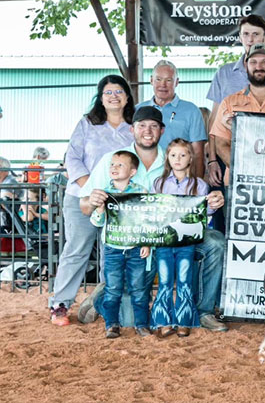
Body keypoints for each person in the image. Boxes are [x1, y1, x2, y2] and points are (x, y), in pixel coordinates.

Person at [80, 106, 228, 333]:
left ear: (162, 130)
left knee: (216, 242)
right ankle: (104, 294)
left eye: (153, 126)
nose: (147, 131)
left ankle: (204, 311)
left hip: (175, 236)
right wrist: (93, 201)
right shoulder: (115, 161)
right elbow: (84, 206)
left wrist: (212, 202)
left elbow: (195, 205)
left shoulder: (172, 160)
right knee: (130, 318)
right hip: (137, 246)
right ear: (132, 129)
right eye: (142, 125)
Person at [49, 75, 135, 326]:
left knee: (115, 255)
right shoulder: (87, 123)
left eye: (119, 91)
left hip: (118, 202)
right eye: (108, 92)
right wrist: (92, 189)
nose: (113, 96)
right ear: (100, 98)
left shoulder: (134, 126)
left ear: (127, 97)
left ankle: (104, 304)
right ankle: (60, 305)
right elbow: (72, 158)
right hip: (82, 198)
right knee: (76, 250)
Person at [206, 15, 265, 186]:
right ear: (239, 37)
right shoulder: (224, 73)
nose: (250, 39)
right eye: (245, 34)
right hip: (232, 161)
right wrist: (212, 160)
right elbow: (214, 122)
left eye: (255, 34)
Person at [84, 150, 151, 339]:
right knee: (113, 288)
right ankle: (111, 324)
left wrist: (146, 241)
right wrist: (99, 209)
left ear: (132, 171)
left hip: (135, 246)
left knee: (138, 288)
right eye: (112, 164)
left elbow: (146, 220)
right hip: (112, 247)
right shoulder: (103, 193)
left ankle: (141, 325)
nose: (114, 167)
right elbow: (96, 223)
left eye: (120, 165)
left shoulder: (141, 192)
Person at [211, 44, 265, 176]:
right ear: (246, 66)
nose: (259, 67)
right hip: (239, 180)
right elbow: (221, 144)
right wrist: (245, 170)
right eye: (253, 62)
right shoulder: (229, 102)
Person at [150, 139, 207, 338]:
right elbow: (152, 211)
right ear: (167, 157)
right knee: (165, 280)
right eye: (173, 155)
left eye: (183, 155)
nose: (178, 159)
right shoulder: (158, 183)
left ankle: (184, 321)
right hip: (164, 241)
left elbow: (204, 214)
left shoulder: (199, 185)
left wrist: (213, 205)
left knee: (184, 279)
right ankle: (162, 321)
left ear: (191, 158)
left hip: (186, 242)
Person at [137, 60, 206, 178]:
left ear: (177, 82)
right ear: (151, 80)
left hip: (179, 179)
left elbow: (198, 153)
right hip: (144, 177)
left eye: (169, 80)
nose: (163, 85)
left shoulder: (191, 111)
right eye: (158, 79)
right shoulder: (138, 110)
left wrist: (197, 186)